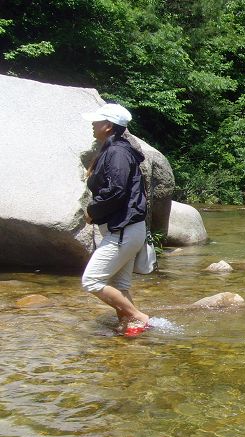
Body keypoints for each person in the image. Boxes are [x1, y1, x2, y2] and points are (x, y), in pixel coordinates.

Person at [80, 103, 150, 336]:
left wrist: (92, 211)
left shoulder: (117, 152)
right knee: (120, 285)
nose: (93, 124)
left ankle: (138, 317)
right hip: (127, 229)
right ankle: (128, 327)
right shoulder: (116, 149)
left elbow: (116, 191)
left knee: (91, 281)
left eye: (97, 121)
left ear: (109, 126)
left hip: (123, 230)